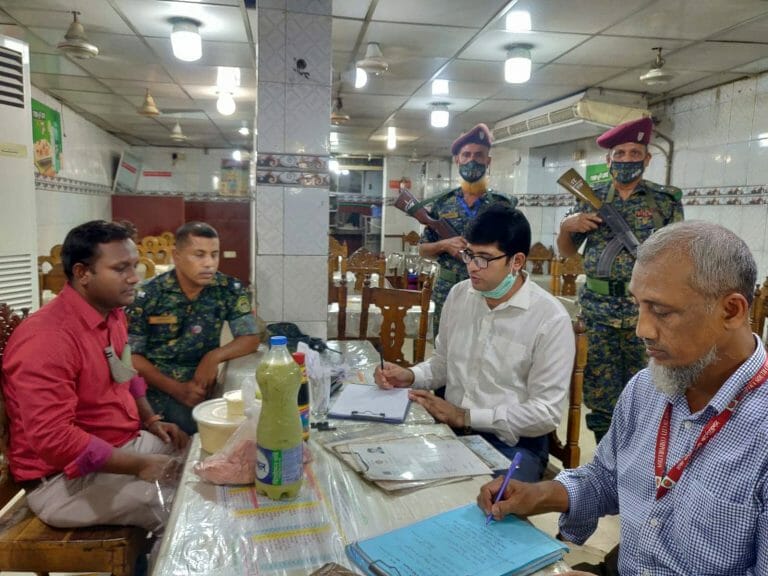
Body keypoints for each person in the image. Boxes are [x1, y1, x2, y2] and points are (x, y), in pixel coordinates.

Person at [479, 221, 766, 575]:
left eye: (661, 311)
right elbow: (606, 478)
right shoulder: (647, 389)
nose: (641, 329)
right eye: (638, 305)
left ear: (731, 311)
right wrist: (541, 494)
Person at [1, 220, 188, 532]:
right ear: (82, 273)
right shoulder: (47, 338)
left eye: (135, 265)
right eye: (120, 268)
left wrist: (151, 420)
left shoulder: (111, 313)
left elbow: (125, 372)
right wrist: (139, 465)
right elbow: (55, 439)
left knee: (199, 461)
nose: (134, 278)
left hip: (120, 444)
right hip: (62, 480)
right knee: (177, 505)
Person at [375, 204, 575, 481]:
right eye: (469, 254)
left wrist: (466, 417)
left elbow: (545, 413)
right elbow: (442, 364)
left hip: (513, 444)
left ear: (516, 261)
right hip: (450, 430)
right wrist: (409, 375)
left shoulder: (549, 319)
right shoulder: (459, 295)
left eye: (484, 258)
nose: (471, 266)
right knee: (395, 475)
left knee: (482, 506)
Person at [557, 116, 684, 442]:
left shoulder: (664, 200)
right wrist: (567, 227)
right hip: (598, 312)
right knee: (600, 396)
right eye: (620, 153)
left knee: (649, 389)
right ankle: (605, 460)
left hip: (646, 312)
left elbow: (677, 254)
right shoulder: (589, 196)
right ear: (608, 158)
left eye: (634, 152)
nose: (627, 159)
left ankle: (640, 460)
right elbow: (568, 252)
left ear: (647, 158)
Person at [126, 222, 260, 436]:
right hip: (153, 390)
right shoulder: (148, 295)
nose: (209, 263)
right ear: (176, 256)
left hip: (200, 388)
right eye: (199, 255)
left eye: (214, 255)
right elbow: (132, 356)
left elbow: (251, 338)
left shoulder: (228, 289)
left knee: (243, 428)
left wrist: (213, 357)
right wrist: (176, 389)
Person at [417, 123, 516, 336]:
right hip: (449, 289)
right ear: (457, 160)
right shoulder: (442, 204)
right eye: (466, 155)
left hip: (490, 290)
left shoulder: (503, 205)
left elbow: (514, 250)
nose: (472, 160)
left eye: (479, 155)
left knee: (487, 349)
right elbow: (423, 249)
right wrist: (444, 244)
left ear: (488, 161)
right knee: (445, 347)